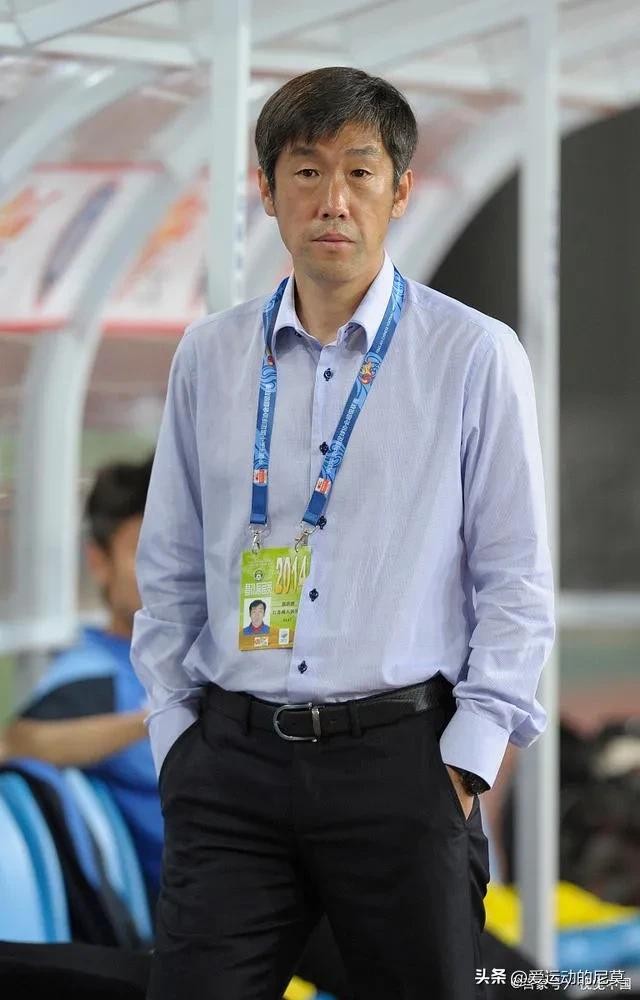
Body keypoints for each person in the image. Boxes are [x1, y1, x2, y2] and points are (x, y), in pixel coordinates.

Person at [132, 66, 555, 1000]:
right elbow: (169, 567)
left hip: (402, 763)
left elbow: (516, 578)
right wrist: (176, 736)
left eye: (360, 172)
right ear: (267, 190)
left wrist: (467, 760)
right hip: (232, 766)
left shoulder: (473, 355)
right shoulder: (210, 354)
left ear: (400, 192)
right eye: (306, 171)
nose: (333, 200)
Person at [3, 457, 163, 895]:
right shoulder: (95, 674)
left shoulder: (192, 662)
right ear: (99, 561)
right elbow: (17, 741)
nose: (166, 570)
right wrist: (158, 717)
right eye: (144, 551)